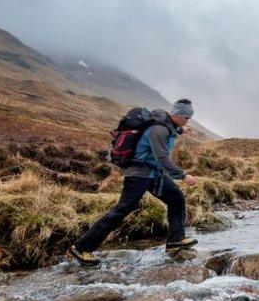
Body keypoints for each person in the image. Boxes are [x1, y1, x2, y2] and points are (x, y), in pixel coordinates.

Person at [67, 99, 199, 266]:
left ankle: (175, 240)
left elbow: (170, 130)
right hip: (139, 174)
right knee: (123, 209)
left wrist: (181, 129)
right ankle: (80, 247)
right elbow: (162, 157)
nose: (188, 120)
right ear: (177, 114)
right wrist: (183, 175)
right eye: (186, 118)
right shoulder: (158, 129)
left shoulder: (167, 124)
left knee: (176, 198)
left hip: (153, 173)